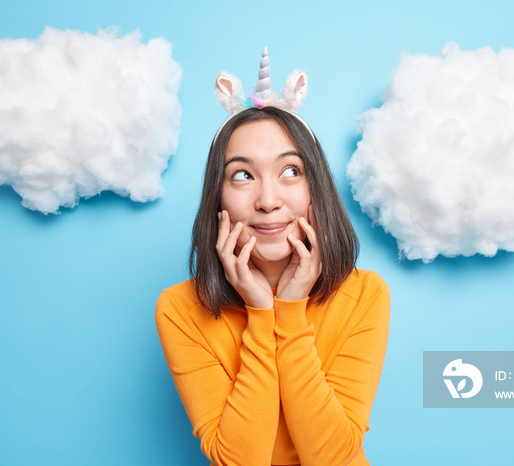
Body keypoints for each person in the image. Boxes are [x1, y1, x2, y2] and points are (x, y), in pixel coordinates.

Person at [155, 51, 390, 466]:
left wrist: (293, 313)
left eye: (290, 171)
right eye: (242, 175)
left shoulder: (365, 294)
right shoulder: (179, 310)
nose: (267, 201)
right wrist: (262, 313)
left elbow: (333, 458)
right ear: (218, 196)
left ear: (315, 188)